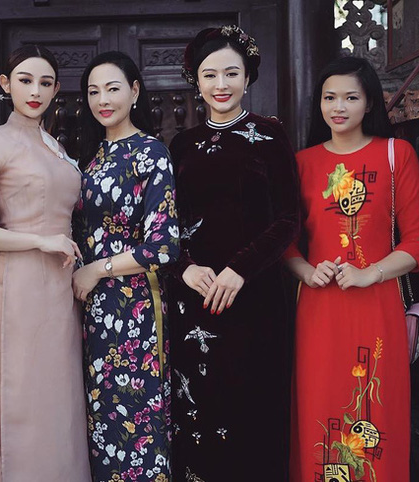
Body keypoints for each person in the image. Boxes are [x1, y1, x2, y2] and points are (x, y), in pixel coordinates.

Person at [286, 56, 419, 481]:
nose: (339, 107)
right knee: (320, 405)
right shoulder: (302, 163)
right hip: (319, 309)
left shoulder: (396, 154)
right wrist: (306, 271)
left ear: (369, 103)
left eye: (351, 98)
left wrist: (371, 273)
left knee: (374, 409)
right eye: (329, 97)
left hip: (376, 308)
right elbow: (285, 243)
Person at [166, 25, 300, 480]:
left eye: (231, 73)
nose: (220, 85)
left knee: (254, 408)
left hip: (254, 296)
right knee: (200, 409)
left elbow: (288, 218)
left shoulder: (271, 135)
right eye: (210, 75)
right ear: (196, 80)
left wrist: (239, 269)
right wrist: (184, 268)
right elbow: (168, 224)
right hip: (195, 299)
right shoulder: (181, 145)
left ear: (248, 76)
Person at [0, 45, 91, 482]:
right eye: (25, 80)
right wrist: (38, 240)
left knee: (63, 403)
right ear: (5, 84)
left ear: (56, 89)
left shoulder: (54, 144)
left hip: (63, 287)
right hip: (20, 286)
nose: (35, 91)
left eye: (45, 83)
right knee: (27, 402)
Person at [72, 51, 179, 481]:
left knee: (136, 417)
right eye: (94, 91)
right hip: (91, 307)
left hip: (134, 306)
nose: (103, 100)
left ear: (134, 92)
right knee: (100, 419)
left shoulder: (151, 153)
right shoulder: (90, 155)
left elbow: (163, 246)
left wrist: (96, 270)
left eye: (113, 89)